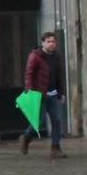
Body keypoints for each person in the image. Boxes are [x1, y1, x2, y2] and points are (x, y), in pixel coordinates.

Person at [22, 30, 67, 159]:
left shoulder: (56, 56)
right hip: (39, 94)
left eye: (53, 42)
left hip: (53, 94)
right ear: (43, 43)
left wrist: (61, 92)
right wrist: (29, 90)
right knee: (39, 122)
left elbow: (59, 75)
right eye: (49, 42)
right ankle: (26, 138)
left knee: (57, 120)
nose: (52, 44)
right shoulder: (35, 56)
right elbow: (28, 74)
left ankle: (55, 147)